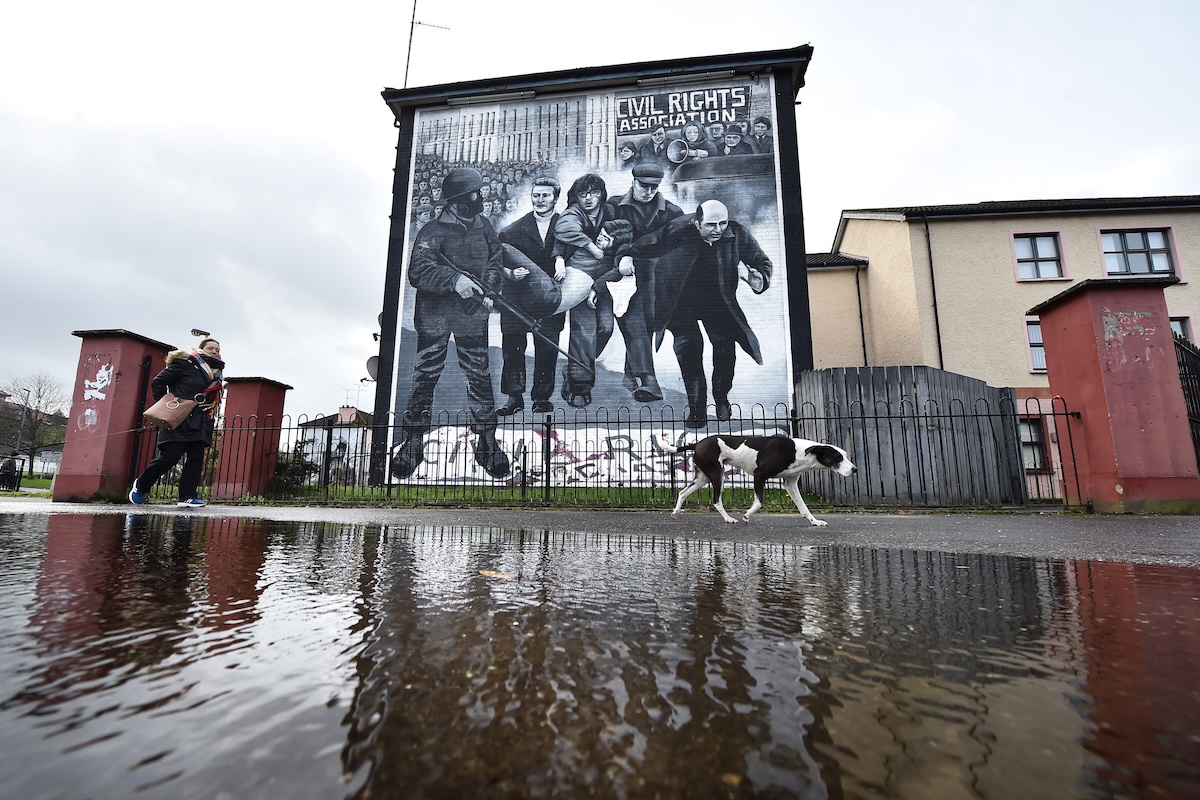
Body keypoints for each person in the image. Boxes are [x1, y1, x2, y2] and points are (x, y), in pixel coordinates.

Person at [392, 166, 510, 479]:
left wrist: (490, 287)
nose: (479, 197)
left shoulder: (483, 225)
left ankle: (485, 441)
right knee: (425, 376)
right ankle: (414, 440)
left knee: (479, 377)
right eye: (474, 193)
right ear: (458, 200)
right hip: (435, 319)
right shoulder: (431, 231)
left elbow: (496, 258)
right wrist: (454, 279)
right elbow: (418, 271)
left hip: (473, 317)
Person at [619, 200, 772, 428]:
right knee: (689, 348)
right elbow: (652, 241)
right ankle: (697, 409)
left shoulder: (736, 233)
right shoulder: (679, 228)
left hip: (717, 301)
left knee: (724, 347)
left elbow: (761, 261)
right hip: (681, 301)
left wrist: (757, 278)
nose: (718, 230)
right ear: (697, 222)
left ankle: (721, 399)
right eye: (711, 225)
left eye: (722, 223)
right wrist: (628, 256)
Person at [606, 162, 685, 402]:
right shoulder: (614, 207)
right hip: (620, 276)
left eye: (654, 187)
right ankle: (649, 381)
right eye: (644, 186)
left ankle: (631, 375)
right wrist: (621, 255)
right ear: (633, 181)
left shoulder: (672, 212)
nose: (648, 192)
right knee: (635, 324)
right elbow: (604, 240)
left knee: (645, 325)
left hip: (655, 280)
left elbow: (677, 247)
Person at [552, 174, 625, 407]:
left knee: (605, 328)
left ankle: (576, 367)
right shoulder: (574, 213)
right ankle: (580, 385)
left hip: (603, 280)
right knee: (584, 331)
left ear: (601, 194)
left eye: (594, 193)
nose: (589, 199)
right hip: (579, 277)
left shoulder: (611, 212)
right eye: (583, 194)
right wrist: (587, 247)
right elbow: (563, 230)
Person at [496, 177, 566, 415]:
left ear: (556, 198)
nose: (540, 200)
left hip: (551, 300)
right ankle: (514, 398)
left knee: (547, 348)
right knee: (513, 348)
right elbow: (494, 261)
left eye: (545, 195)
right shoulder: (512, 230)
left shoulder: (567, 227)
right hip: (516, 298)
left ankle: (542, 398)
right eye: (536, 195)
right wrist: (509, 273)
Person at [129, 338, 225, 506]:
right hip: (179, 418)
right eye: (210, 348)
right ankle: (141, 485)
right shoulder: (185, 363)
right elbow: (158, 382)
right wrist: (167, 405)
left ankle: (187, 497)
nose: (214, 351)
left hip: (201, 419)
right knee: (170, 457)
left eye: (217, 349)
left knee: (195, 459)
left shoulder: (216, 372)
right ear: (200, 349)